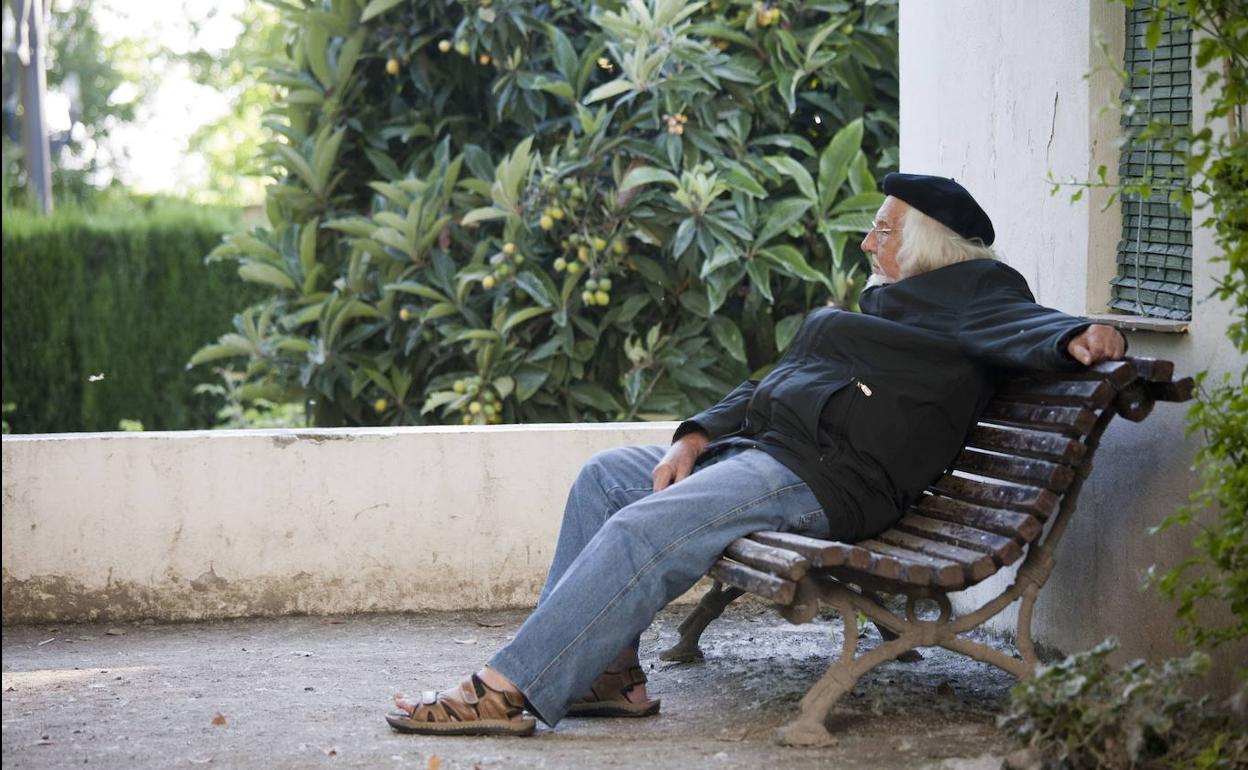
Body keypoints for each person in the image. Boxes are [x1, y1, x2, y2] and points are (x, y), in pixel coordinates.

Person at [385, 173, 1127, 736]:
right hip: (773, 454)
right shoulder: (889, 307)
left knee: (648, 527)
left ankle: (508, 690)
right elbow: (773, 383)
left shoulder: (974, 289)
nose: (868, 242)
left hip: (828, 479)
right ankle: (605, 675)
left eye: (883, 229)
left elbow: (1025, 320)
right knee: (609, 477)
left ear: (930, 241)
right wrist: (695, 434)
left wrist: (1078, 339)